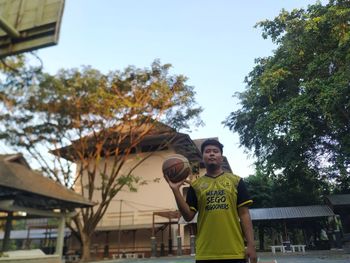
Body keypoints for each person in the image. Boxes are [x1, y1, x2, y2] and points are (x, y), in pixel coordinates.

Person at [164, 139, 257, 263]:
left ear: (221, 157)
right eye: (207, 151)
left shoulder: (237, 181)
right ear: (203, 158)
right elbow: (188, 216)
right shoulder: (195, 186)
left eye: (215, 151)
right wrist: (175, 190)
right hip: (205, 254)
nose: (212, 154)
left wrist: (251, 244)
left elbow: (244, 214)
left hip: (235, 252)